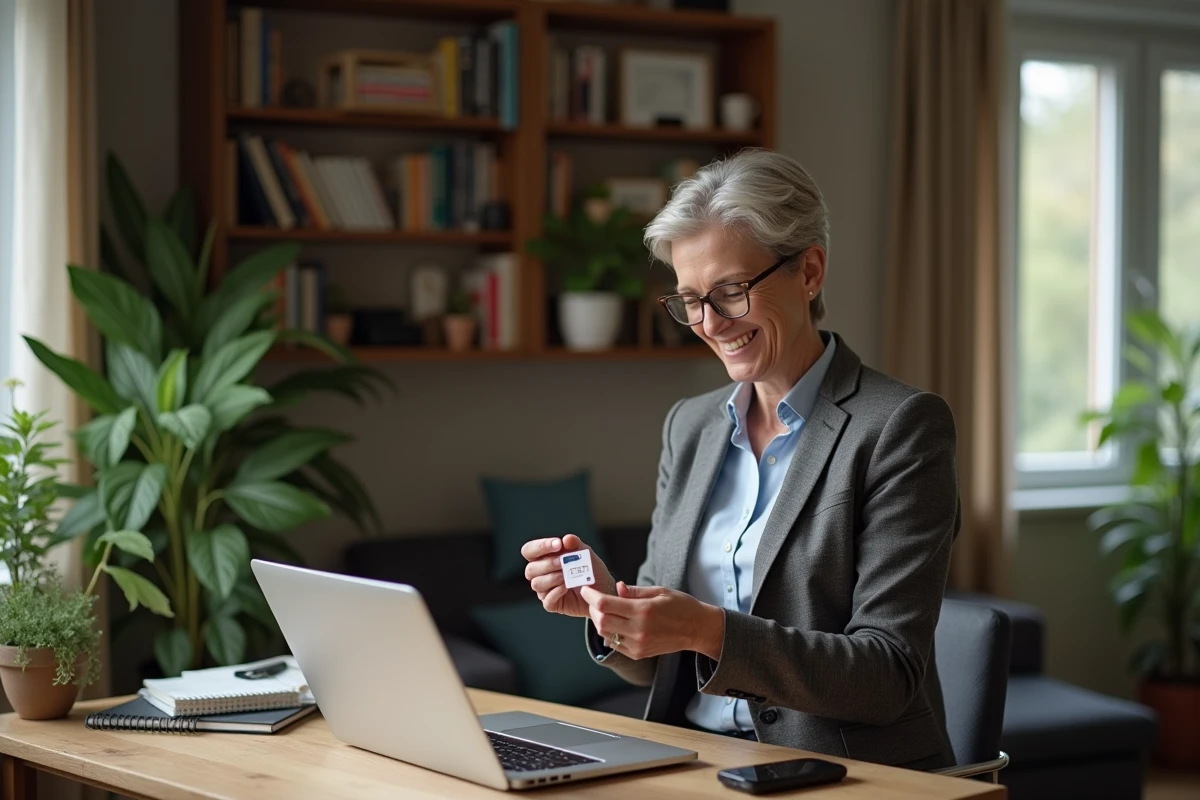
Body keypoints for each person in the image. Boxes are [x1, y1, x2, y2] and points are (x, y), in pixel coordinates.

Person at [521, 149, 959, 770]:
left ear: (810, 272)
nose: (710, 323)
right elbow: (657, 667)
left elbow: (887, 675)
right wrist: (610, 607)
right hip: (693, 762)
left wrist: (707, 630)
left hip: (839, 775)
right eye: (690, 300)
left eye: (730, 292)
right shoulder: (691, 426)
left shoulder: (900, 427)